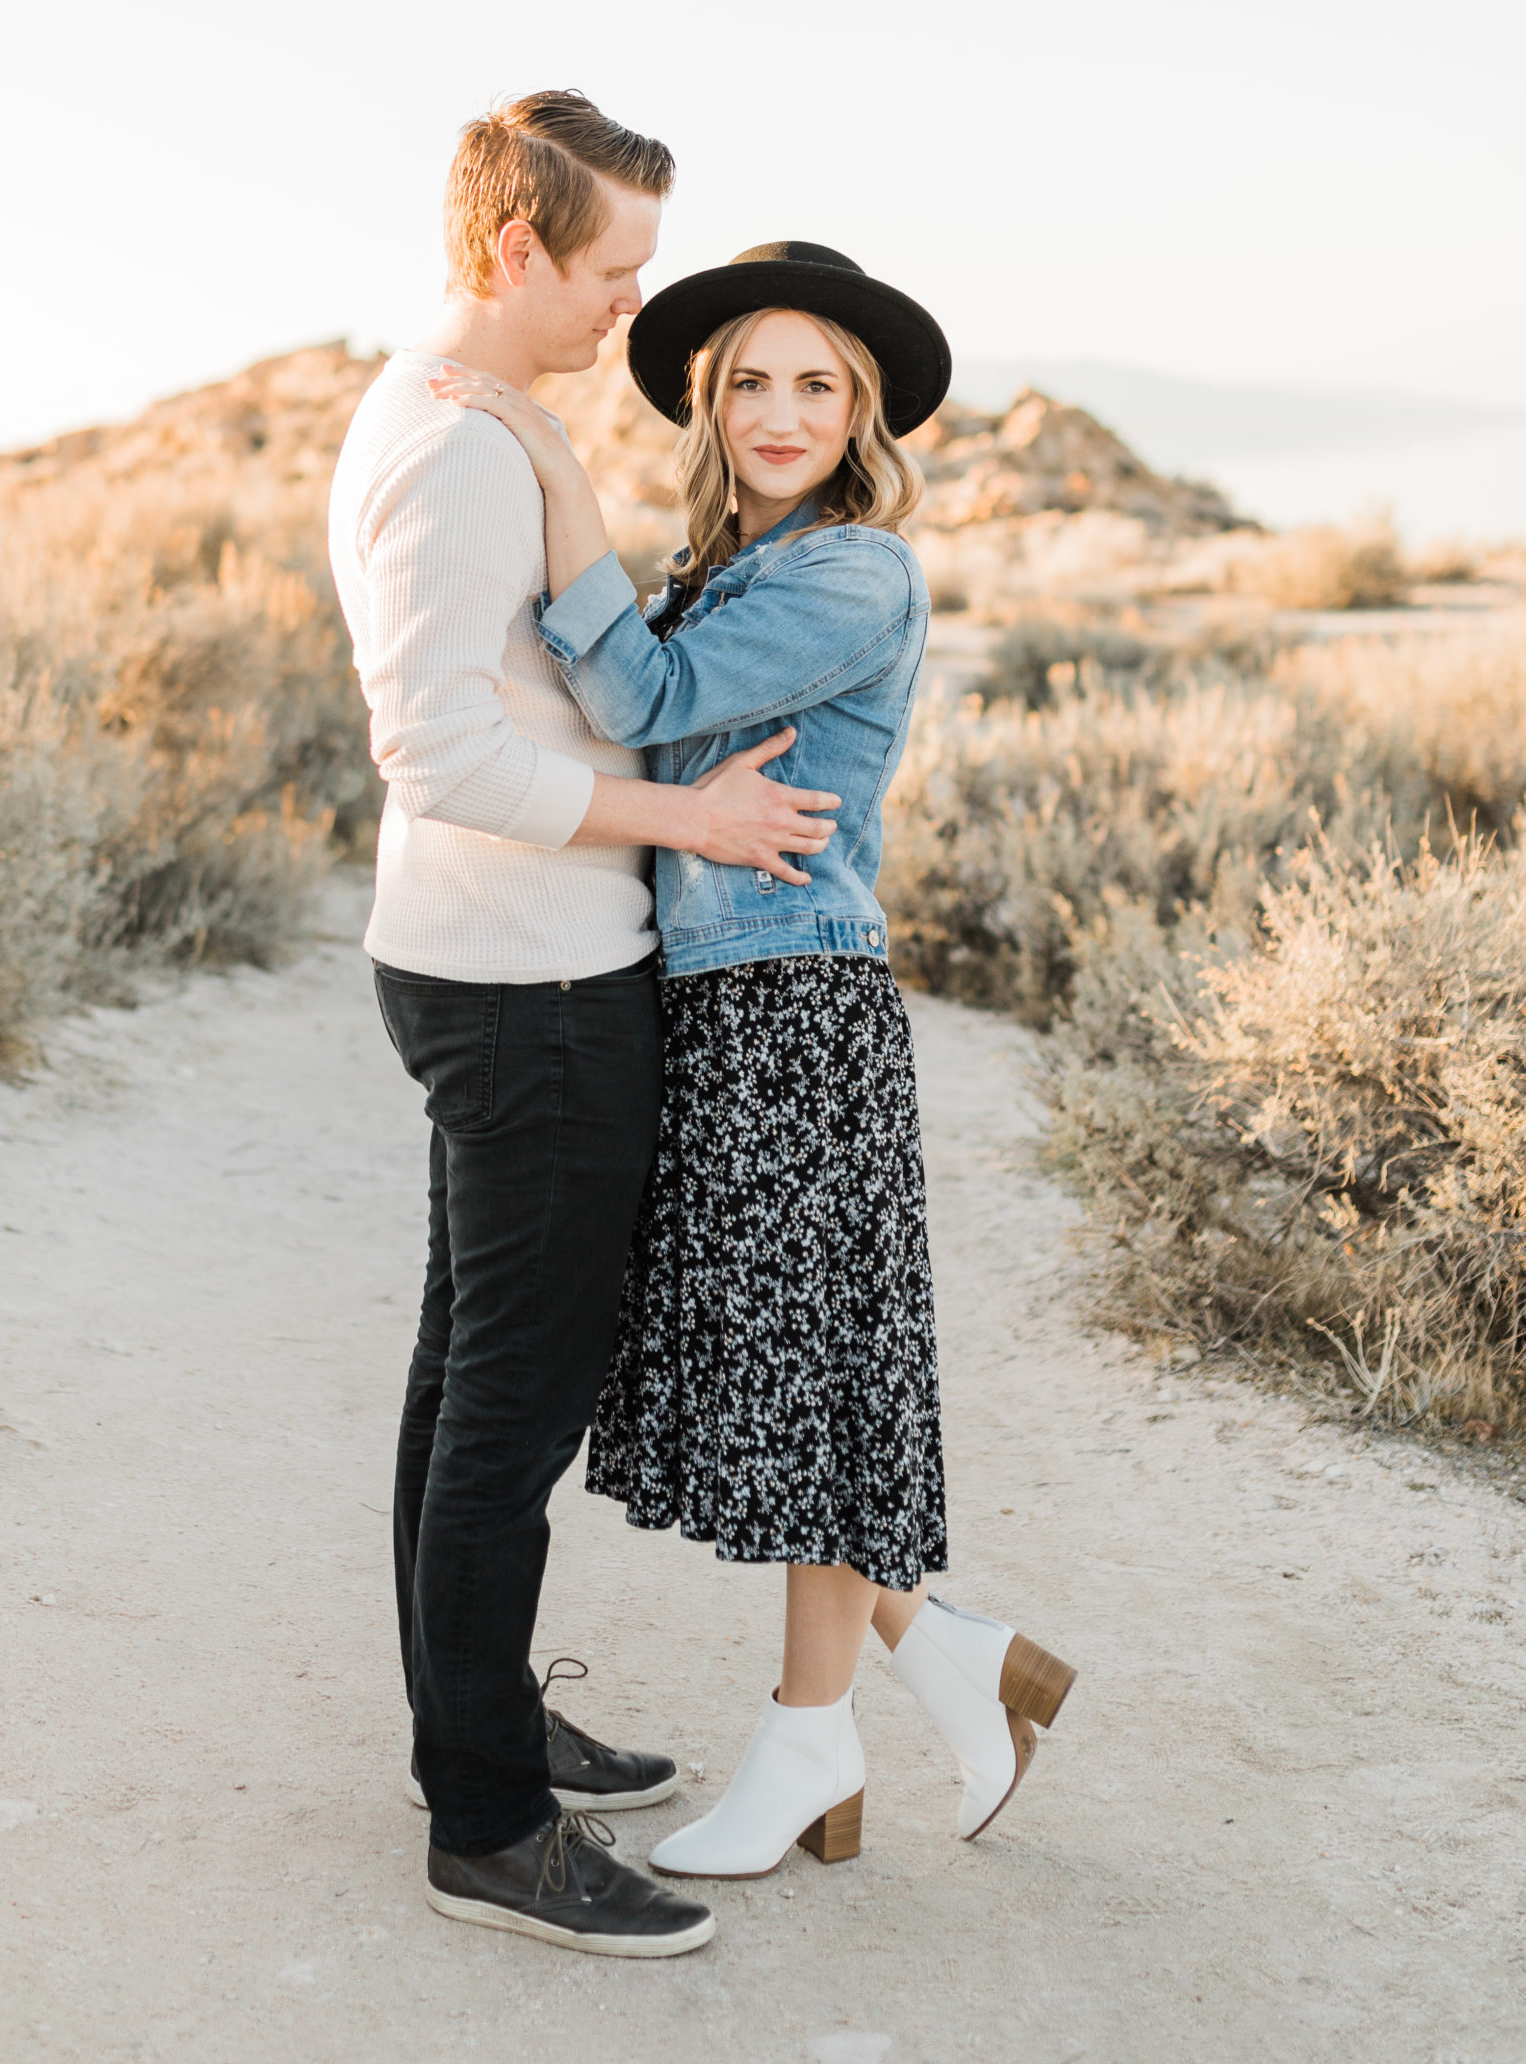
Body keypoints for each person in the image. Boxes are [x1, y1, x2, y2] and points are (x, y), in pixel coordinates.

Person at [431, 238, 1077, 1883]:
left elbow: (643, 705)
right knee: (782, 1377)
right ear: (712, 406)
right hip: (721, 998)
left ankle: (815, 1736)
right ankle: (945, 1658)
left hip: (793, 1007)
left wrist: (553, 469)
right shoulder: (737, 561)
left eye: (817, 385)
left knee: (804, 1386)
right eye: (750, 382)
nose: (781, 412)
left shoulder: (851, 570)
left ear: (862, 413)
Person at [327, 98, 846, 1958]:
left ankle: (467, 1729)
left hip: (508, 961)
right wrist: (691, 818)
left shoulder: (484, 425)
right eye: (615, 262)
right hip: (528, 983)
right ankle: (489, 1822)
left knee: (466, 1370)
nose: (638, 296)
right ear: (513, 252)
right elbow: (441, 752)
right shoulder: (455, 455)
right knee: (509, 1413)